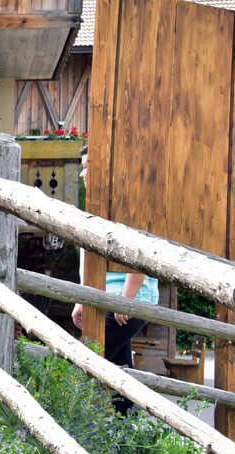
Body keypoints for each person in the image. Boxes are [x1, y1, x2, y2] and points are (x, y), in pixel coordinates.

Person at [70, 145, 159, 416]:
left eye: (89, 166)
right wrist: (80, 299)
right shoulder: (94, 207)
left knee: (87, 363)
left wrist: (127, 299)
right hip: (105, 297)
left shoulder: (126, 204)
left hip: (126, 299)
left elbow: (141, 253)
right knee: (121, 373)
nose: (84, 172)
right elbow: (89, 259)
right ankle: (123, 440)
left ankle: (80, 428)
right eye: (83, 166)